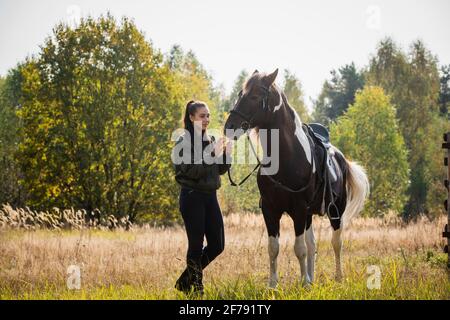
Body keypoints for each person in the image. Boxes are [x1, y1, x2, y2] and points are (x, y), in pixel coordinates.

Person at [172, 100, 232, 295]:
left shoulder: (211, 139)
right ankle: (197, 290)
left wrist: (226, 156)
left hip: (210, 197)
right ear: (191, 118)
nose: (206, 119)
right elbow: (192, 172)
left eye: (208, 116)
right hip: (192, 198)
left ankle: (183, 282)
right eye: (201, 116)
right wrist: (211, 154)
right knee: (196, 246)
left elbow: (218, 171)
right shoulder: (183, 142)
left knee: (218, 245)